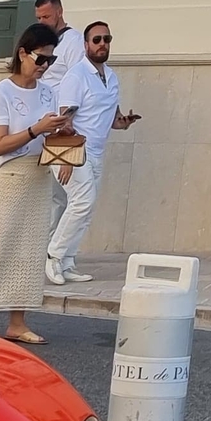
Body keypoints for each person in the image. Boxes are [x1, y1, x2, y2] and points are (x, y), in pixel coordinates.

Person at [0, 24, 71, 344]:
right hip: (7, 177)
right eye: (40, 58)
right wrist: (37, 128)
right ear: (22, 53)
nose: (45, 65)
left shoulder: (49, 92)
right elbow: (0, 144)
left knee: (30, 251)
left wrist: (64, 147)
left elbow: (51, 134)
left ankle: (17, 322)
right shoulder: (1, 91)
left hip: (38, 175)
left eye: (50, 59)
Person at [43, 20, 140, 285]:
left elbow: (111, 119)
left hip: (96, 151)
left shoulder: (112, 78)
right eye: (96, 40)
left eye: (106, 39)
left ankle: (68, 261)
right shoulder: (76, 76)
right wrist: (66, 159)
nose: (102, 44)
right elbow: (65, 119)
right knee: (82, 201)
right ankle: (53, 255)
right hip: (73, 149)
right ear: (86, 45)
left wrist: (124, 122)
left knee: (87, 207)